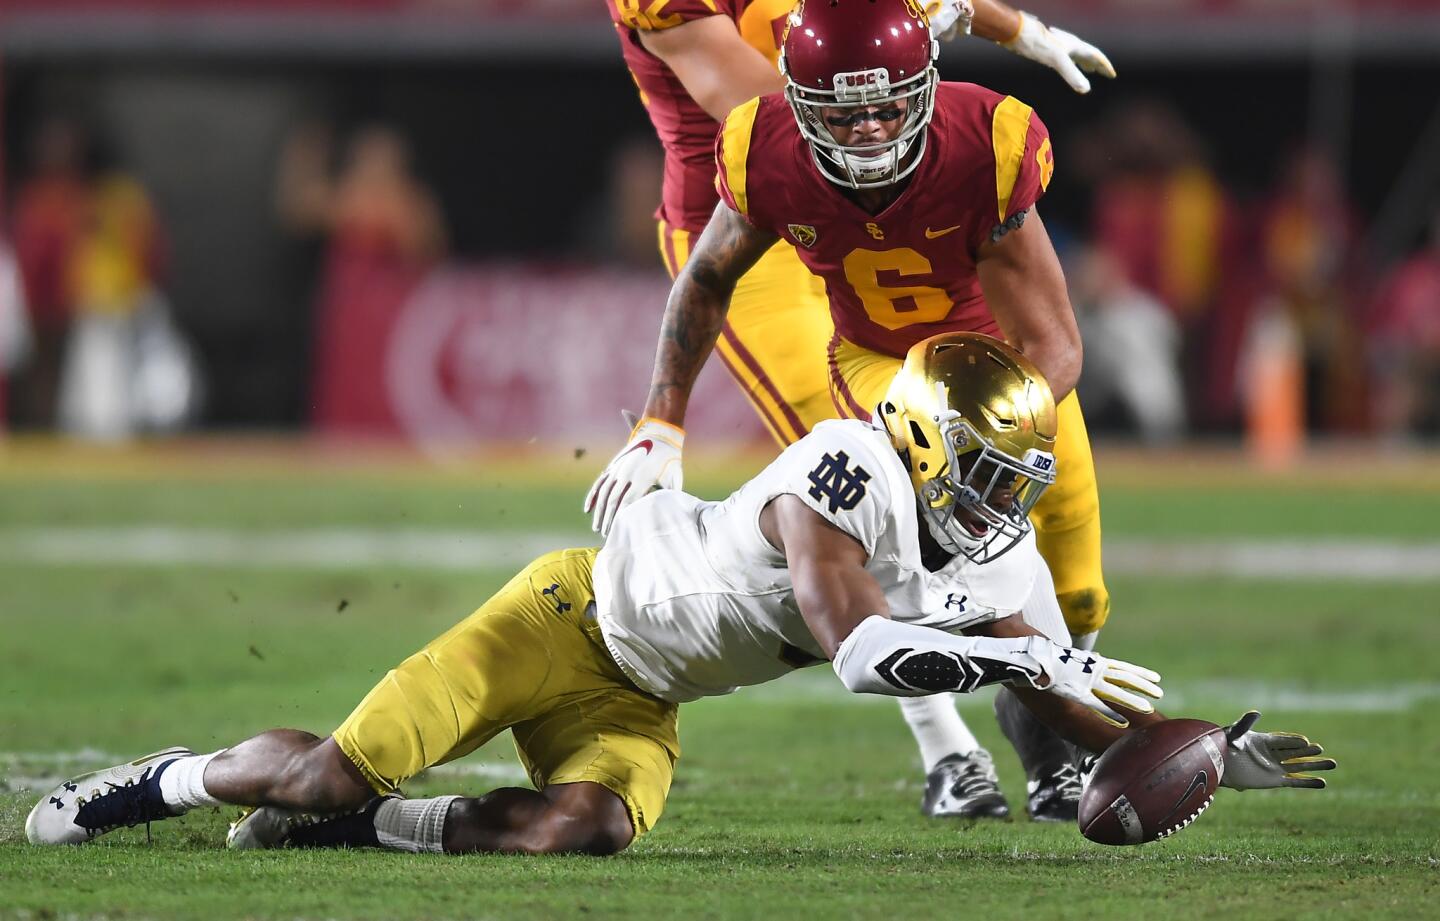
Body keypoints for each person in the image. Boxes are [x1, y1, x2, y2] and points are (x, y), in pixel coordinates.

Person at [25, 333, 1333, 854]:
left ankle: (350, 839)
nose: (1005, 502)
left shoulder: (997, 554)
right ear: (922, 441)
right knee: (323, 768)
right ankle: (170, 780)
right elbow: (860, 644)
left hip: (648, 695)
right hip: (564, 622)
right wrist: (1005, 658)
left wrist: (1202, 750)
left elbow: (1068, 704)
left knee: (581, 832)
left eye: (1020, 476)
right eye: (986, 471)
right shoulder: (841, 465)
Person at [590, 0, 1110, 821]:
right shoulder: (770, 131)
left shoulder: (983, 140)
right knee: (856, 478)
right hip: (758, 208)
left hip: (895, 202)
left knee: (1052, 511)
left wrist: (994, 22)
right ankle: (947, 750)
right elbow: (783, 106)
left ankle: (1054, 713)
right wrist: (663, 415)